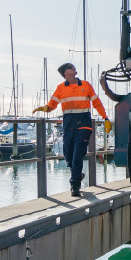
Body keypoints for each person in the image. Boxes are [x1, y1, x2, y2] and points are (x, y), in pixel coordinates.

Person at [33, 62, 111, 197]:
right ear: (65, 72)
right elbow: (52, 105)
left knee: (77, 156)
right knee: (68, 155)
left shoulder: (86, 85)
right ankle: (77, 174)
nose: (74, 68)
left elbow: (97, 103)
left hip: (84, 125)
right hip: (69, 126)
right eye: (71, 67)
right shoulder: (61, 88)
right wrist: (45, 108)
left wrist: (105, 118)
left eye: (74, 66)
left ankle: (75, 186)